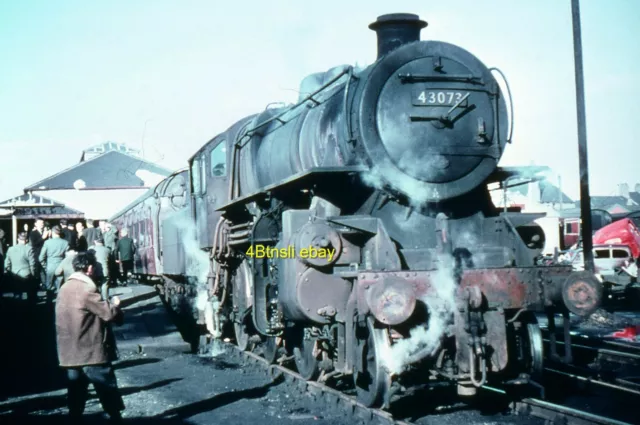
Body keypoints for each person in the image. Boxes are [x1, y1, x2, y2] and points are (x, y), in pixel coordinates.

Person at [55, 251, 125, 423]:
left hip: (69, 353)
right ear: (90, 268)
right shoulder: (87, 289)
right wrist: (115, 305)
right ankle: (116, 419)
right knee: (107, 390)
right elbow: (108, 314)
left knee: (76, 395)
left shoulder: (64, 288)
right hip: (90, 351)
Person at [3, 232, 37, 303]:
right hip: (27, 274)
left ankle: (17, 308)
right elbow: (32, 264)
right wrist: (33, 275)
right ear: (26, 240)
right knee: (30, 294)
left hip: (14, 274)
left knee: (17, 293)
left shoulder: (10, 249)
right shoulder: (29, 249)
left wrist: (9, 273)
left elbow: (7, 264)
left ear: (18, 239)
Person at [39, 225, 70, 302]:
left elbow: (41, 258)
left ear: (52, 232)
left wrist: (45, 266)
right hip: (60, 265)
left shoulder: (47, 242)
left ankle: (48, 304)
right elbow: (67, 257)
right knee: (60, 286)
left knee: (49, 286)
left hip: (50, 266)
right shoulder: (65, 243)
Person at [29, 217, 50, 286]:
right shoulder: (33, 233)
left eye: (42, 223)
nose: (42, 224)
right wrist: (43, 238)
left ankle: (45, 285)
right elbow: (34, 244)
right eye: (40, 223)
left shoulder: (45, 232)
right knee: (37, 271)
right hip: (37, 255)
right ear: (35, 224)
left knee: (45, 271)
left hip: (45, 255)